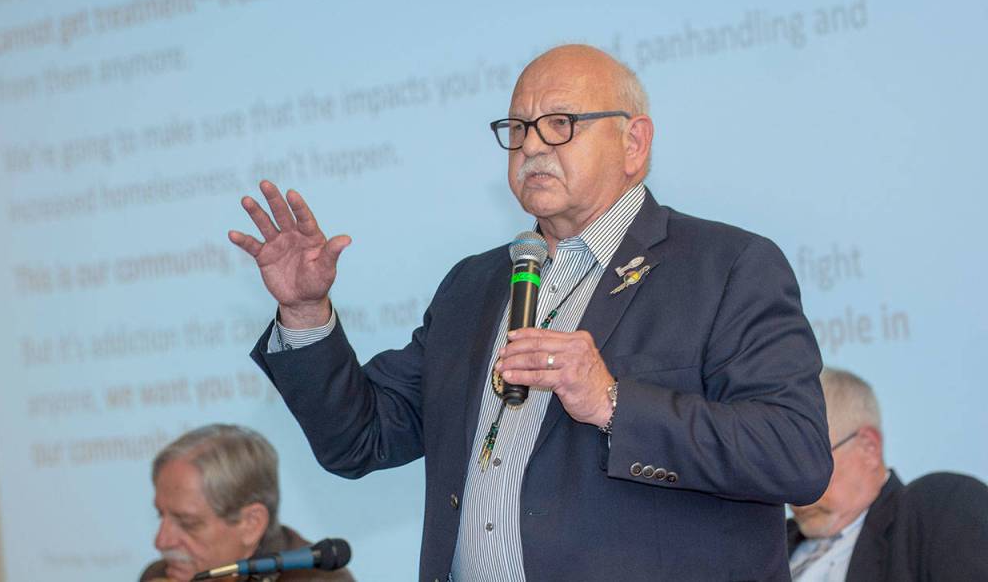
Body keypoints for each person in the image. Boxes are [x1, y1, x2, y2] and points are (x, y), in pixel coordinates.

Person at [230, 44, 833, 581]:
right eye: (519, 128)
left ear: (634, 143)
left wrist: (614, 403)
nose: (533, 145)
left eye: (560, 124)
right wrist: (305, 312)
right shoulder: (474, 285)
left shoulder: (726, 266)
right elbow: (361, 440)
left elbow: (794, 455)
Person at [787, 368, 988, 581]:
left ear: (869, 447)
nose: (792, 494)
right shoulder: (770, 543)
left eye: (805, 466)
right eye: (780, 472)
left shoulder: (940, 509)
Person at [140, 424, 354, 582]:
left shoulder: (317, 578)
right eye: (161, 515)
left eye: (188, 523)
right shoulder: (160, 575)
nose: (161, 541)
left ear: (252, 524)